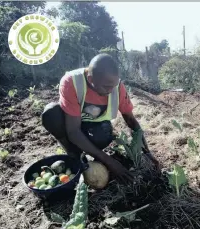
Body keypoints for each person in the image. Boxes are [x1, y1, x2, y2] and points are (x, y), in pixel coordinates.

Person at [42, 53, 159, 184]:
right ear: (91, 79)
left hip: (96, 128)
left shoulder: (117, 87)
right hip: (72, 125)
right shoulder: (72, 82)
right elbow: (73, 131)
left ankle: (92, 152)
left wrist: (147, 152)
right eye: (106, 87)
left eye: (113, 86)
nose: (111, 90)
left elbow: (131, 121)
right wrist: (111, 163)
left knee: (102, 134)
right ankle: (73, 154)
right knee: (51, 114)